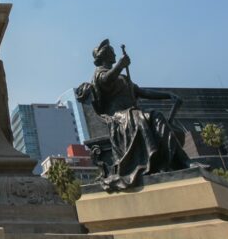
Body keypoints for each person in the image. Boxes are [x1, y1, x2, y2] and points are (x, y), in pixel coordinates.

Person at [77, 39, 190, 191]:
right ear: (105, 56)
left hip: (131, 112)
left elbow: (143, 92)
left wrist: (168, 95)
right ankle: (152, 159)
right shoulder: (100, 75)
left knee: (156, 116)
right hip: (118, 116)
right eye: (112, 52)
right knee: (140, 118)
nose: (115, 54)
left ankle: (179, 161)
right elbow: (106, 80)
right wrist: (120, 65)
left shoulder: (123, 78)